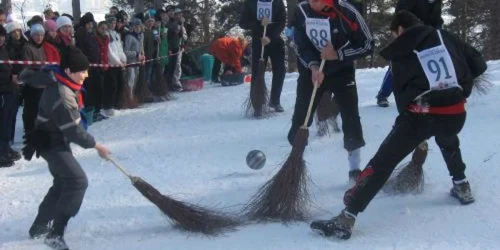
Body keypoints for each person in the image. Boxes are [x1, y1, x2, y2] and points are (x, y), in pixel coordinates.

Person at [310, 11, 487, 240]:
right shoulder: (445, 36)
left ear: (400, 30)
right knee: (447, 136)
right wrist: (456, 90)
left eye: (394, 34)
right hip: (456, 113)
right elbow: (479, 65)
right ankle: (462, 185)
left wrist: (409, 125)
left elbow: (402, 97)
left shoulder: (401, 49)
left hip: (420, 115)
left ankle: (347, 216)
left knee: (383, 161)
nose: (395, 39)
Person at [23, 46, 111, 250]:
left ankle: (39, 226)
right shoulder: (62, 94)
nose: (86, 75)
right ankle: (55, 234)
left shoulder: (62, 79)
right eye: (82, 71)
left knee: (63, 183)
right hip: (51, 142)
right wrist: (97, 146)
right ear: (70, 71)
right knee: (77, 181)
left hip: (55, 138)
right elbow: (74, 131)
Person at [290, 0, 374, 182]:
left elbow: (367, 44)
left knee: (351, 116)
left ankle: (354, 168)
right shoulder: (301, 11)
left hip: (341, 71)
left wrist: (338, 54)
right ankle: (294, 163)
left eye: (317, 0)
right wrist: (312, 66)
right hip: (312, 72)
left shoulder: (348, 11)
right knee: (301, 117)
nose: (312, 3)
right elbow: (299, 43)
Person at [376, 0, 443, 107]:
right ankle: (382, 95)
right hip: (409, 32)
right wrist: (400, 30)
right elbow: (400, 13)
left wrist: (439, 31)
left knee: (428, 64)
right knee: (399, 65)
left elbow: (437, 19)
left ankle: (428, 94)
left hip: (428, 33)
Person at [240, 0, 287, 112]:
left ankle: (275, 101)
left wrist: (271, 37)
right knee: (257, 71)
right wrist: (258, 23)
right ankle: (257, 103)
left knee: (280, 70)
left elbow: (282, 22)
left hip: (275, 40)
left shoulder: (277, 2)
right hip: (258, 41)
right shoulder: (250, 3)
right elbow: (242, 23)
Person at [0, 25, 18, 168]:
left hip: (9, 88)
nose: (1, 38)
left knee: (8, 120)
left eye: (2, 36)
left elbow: (9, 66)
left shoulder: (4, 49)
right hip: (1, 90)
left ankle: (6, 147)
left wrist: (13, 75)